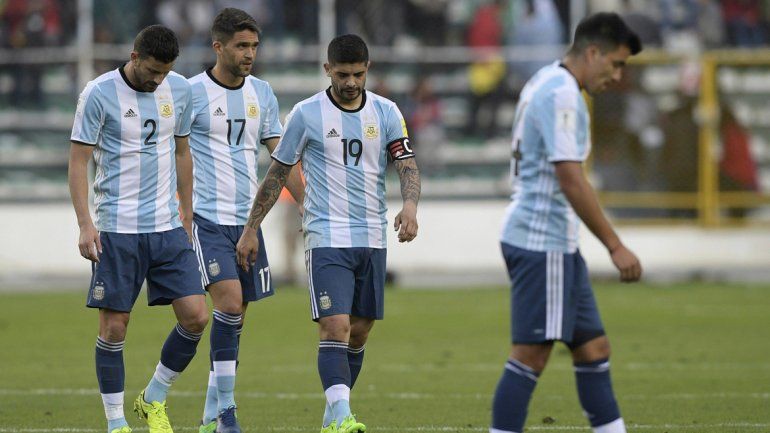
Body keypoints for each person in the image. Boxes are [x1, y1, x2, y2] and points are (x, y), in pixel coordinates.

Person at [235, 34, 421, 433]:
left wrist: (410, 206)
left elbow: (406, 164)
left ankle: (333, 415)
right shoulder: (306, 114)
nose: (351, 82)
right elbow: (277, 174)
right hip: (326, 236)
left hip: (372, 236)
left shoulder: (387, 111)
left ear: (367, 69)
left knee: (359, 331)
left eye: (357, 74)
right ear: (327, 70)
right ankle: (342, 416)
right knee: (335, 326)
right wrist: (251, 228)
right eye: (342, 74)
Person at [492, 13, 643, 433]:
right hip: (542, 242)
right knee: (530, 355)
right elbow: (571, 179)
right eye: (615, 64)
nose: (617, 75)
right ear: (593, 53)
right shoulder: (562, 94)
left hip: (553, 243)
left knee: (594, 348)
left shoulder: (546, 79)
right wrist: (615, 245)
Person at [68, 25, 209, 433]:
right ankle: (116, 423)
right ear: (134, 57)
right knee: (114, 327)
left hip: (167, 227)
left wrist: (186, 213)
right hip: (117, 228)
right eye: (152, 70)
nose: (158, 79)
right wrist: (85, 224)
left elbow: (182, 151)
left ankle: (153, 396)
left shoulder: (179, 90)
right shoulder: (98, 93)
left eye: (165, 71)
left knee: (197, 316)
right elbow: (78, 161)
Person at [186, 8, 304, 433]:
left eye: (254, 45)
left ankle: (209, 415)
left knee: (235, 321)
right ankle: (228, 414)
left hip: (248, 220)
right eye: (241, 46)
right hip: (206, 217)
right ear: (218, 46)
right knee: (230, 305)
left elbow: (282, 157)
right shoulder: (190, 93)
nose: (250, 53)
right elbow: (173, 151)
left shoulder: (263, 93)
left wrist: (308, 206)